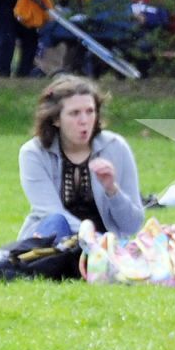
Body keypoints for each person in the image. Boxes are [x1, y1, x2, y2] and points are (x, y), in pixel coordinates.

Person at [18, 75, 145, 241]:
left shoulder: (116, 147)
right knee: (56, 222)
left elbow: (132, 225)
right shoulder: (34, 153)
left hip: (107, 252)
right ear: (56, 119)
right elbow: (50, 212)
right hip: (56, 244)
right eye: (74, 113)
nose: (84, 121)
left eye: (90, 111)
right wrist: (95, 240)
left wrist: (112, 190)